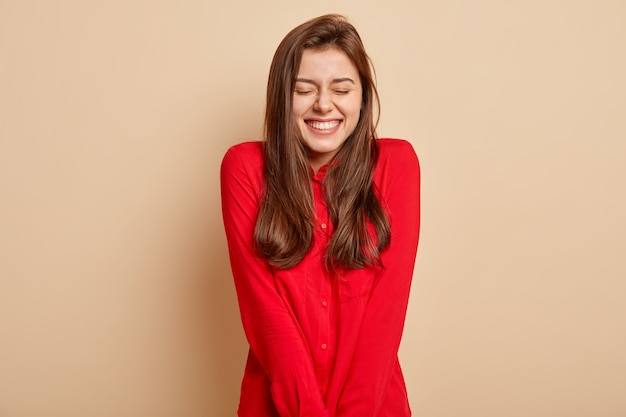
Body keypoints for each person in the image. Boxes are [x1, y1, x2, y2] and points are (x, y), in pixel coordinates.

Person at [220, 14, 420, 417]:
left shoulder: (397, 166)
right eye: (304, 90)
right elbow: (266, 315)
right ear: (282, 98)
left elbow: (385, 318)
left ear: (362, 97)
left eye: (341, 89)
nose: (324, 104)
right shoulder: (243, 169)